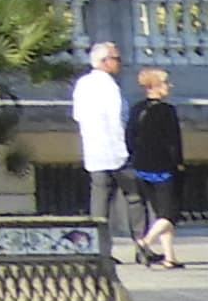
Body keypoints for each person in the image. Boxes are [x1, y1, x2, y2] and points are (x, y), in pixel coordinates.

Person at [123, 65, 187, 269]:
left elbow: (129, 136)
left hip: (142, 166)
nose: (170, 86)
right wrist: (179, 163)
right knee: (170, 214)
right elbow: (174, 141)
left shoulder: (137, 109)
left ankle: (169, 257)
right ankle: (145, 242)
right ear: (154, 86)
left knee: (160, 213)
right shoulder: (167, 110)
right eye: (165, 82)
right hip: (163, 167)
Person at [70, 38, 133, 244]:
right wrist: (124, 149)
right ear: (105, 61)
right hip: (115, 151)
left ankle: (99, 247)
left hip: (94, 151)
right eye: (117, 59)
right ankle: (142, 244)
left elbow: (77, 116)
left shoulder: (82, 84)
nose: (120, 63)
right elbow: (117, 119)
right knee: (135, 199)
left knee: (99, 201)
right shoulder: (108, 86)